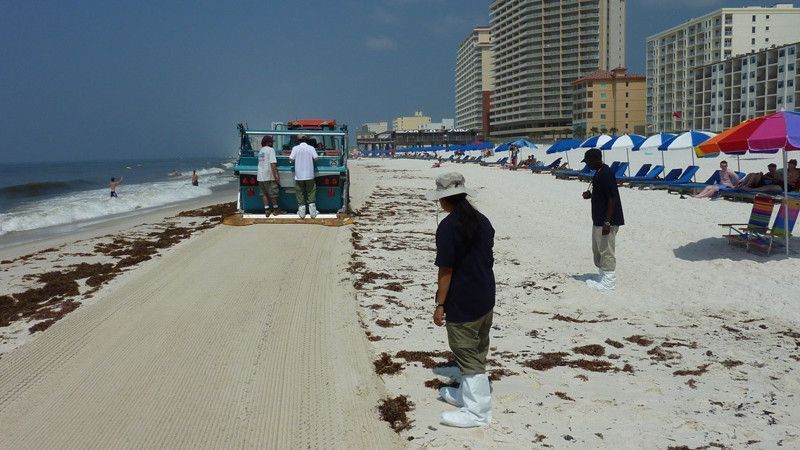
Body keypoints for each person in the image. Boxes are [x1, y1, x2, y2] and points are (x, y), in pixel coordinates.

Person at [427, 172, 495, 428]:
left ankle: (478, 413)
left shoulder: (447, 227)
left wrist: (440, 304)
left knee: (467, 354)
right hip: (486, 294)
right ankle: (467, 394)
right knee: (478, 349)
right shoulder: (482, 220)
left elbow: (446, 270)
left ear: (444, 200)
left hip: (463, 300)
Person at [581, 148, 624, 290]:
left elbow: (612, 198)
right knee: (598, 249)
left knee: (606, 250)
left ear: (596, 160)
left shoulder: (606, 173)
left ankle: (609, 282)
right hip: (599, 219)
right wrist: (591, 195)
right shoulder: (599, 173)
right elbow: (603, 195)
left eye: (588, 162)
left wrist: (607, 222)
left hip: (607, 220)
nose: (587, 165)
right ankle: (602, 276)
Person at [289, 135, 319, 219]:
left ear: (298, 140)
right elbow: (316, 158)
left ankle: (302, 214)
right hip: (310, 175)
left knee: (300, 193)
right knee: (311, 193)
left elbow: (291, 159)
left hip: (299, 176)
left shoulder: (295, 148)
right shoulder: (311, 148)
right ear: (307, 140)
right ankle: (313, 213)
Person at [257, 136, 281, 216]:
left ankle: (267, 210)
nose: (272, 143)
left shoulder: (261, 151)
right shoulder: (271, 150)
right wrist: (276, 176)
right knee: (272, 194)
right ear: (268, 142)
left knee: (264, 194)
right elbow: (272, 164)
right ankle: (276, 209)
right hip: (269, 175)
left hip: (260, 176)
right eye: (271, 142)